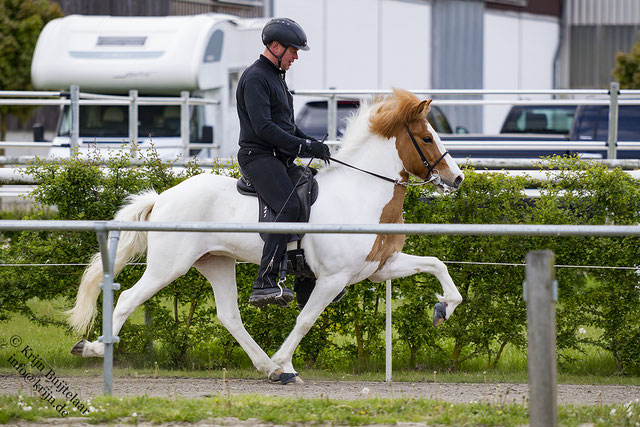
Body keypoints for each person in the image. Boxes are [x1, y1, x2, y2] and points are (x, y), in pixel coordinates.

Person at [236, 18, 331, 307]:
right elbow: (264, 128)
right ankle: (264, 281)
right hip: (258, 156)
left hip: (278, 156)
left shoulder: (277, 77)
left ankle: (305, 277)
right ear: (275, 46)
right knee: (288, 205)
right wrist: (303, 145)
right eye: (293, 50)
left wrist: (313, 143)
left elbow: (286, 126)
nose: (296, 56)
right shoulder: (255, 77)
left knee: (309, 190)